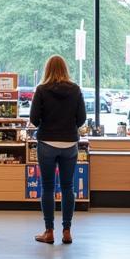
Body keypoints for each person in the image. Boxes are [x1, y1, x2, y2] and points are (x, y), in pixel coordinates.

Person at [29, 55, 86, 245]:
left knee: (47, 187)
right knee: (68, 187)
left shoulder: (41, 90)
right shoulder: (76, 90)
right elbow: (82, 119)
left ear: (47, 70)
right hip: (69, 143)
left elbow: (34, 120)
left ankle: (49, 231)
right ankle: (67, 231)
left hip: (47, 143)